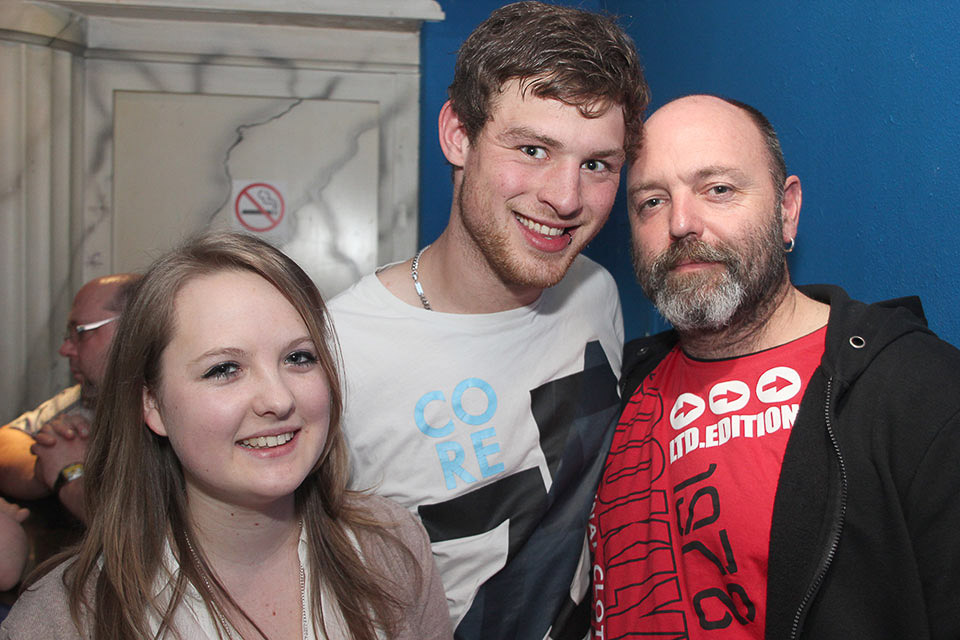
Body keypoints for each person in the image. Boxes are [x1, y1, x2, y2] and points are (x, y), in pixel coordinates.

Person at [328, 2, 649, 637]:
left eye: (596, 164)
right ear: (458, 135)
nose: (565, 198)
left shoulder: (596, 293)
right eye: (532, 149)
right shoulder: (338, 353)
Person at [589, 94, 960, 639]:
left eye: (718, 189)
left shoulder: (918, 393)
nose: (681, 222)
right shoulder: (617, 389)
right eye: (652, 201)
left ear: (787, 209)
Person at [1, 232, 451, 640]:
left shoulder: (393, 548)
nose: (278, 399)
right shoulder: (63, 620)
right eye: (225, 369)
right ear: (152, 404)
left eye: (298, 358)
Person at [0, 273, 140, 520]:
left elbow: (142, 530)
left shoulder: (182, 412)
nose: (65, 349)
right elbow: (7, 439)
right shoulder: (89, 394)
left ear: (136, 330)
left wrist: (71, 474)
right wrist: (46, 466)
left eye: (81, 332)